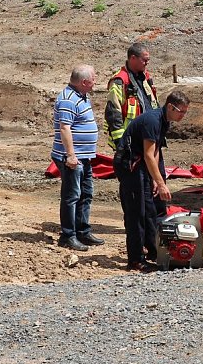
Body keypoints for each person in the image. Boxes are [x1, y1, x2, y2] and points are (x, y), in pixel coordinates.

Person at [117, 91, 190, 272]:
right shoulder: (152, 120)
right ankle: (135, 259)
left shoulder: (164, 121)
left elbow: (156, 151)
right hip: (130, 167)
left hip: (142, 165)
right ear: (171, 107)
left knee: (150, 210)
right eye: (181, 111)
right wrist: (161, 183)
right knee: (136, 214)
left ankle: (152, 251)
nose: (183, 115)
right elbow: (148, 154)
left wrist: (156, 179)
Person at [51, 65, 105, 251]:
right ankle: (68, 236)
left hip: (84, 156)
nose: (95, 82)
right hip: (73, 158)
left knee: (85, 194)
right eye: (93, 79)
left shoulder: (81, 96)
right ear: (84, 82)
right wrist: (71, 155)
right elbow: (64, 128)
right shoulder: (68, 99)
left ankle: (83, 231)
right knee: (72, 195)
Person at [104, 42, 158, 151]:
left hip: (148, 135)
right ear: (133, 58)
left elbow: (153, 104)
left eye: (148, 60)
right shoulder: (120, 81)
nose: (147, 63)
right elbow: (113, 112)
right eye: (144, 60)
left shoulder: (145, 77)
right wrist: (120, 142)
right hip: (130, 140)